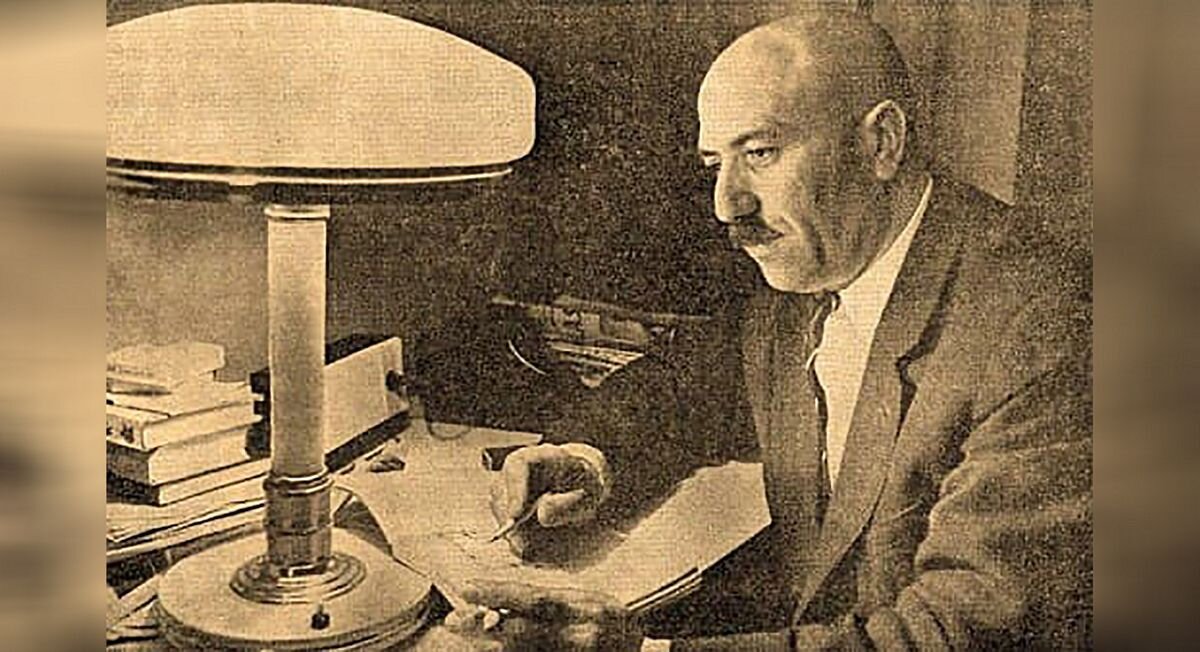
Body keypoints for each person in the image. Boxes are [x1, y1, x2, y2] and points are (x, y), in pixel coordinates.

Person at [432, 9, 1092, 650]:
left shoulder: (1045, 321)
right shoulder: (815, 266)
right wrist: (585, 460)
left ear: (881, 143)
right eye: (714, 164)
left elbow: (961, 631)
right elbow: (687, 386)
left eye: (761, 152)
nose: (727, 205)